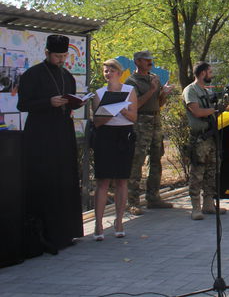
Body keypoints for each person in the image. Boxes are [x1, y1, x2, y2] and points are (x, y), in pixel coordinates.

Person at [17, 34, 85, 254]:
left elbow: (71, 99)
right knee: (44, 181)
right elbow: (23, 104)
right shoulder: (32, 74)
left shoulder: (67, 75)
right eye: (57, 56)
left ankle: (64, 233)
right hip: (41, 136)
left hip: (63, 133)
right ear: (47, 53)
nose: (61, 59)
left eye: (64, 55)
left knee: (64, 180)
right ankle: (43, 235)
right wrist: (49, 102)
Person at [91, 59, 138, 240]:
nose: (108, 73)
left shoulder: (129, 91)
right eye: (105, 71)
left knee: (121, 180)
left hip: (124, 135)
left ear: (119, 73)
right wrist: (109, 110)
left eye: (111, 70)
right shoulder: (99, 93)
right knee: (103, 181)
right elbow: (97, 121)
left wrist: (123, 109)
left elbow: (133, 117)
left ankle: (119, 221)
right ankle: (99, 223)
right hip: (105, 136)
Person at [125, 50, 174, 215]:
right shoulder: (131, 82)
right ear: (137, 62)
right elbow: (135, 105)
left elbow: (158, 102)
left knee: (156, 159)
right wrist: (152, 91)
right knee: (137, 161)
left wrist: (163, 94)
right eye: (147, 60)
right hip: (141, 122)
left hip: (155, 120)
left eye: (151, 60)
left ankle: (153, 198)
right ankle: (132, 202)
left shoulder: (154, 78)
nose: (150, 63)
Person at [183, 61, 227, 220]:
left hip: (211, 136)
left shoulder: (206, 90)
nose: (212, 74)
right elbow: (197, 111)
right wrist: (214, 109)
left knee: (212, 170)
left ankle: (208, 203)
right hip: (200, 138)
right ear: (202, 73)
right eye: (210, 72)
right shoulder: (191, 90)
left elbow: (214, 109)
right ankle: (195, 207)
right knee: (198, 171)